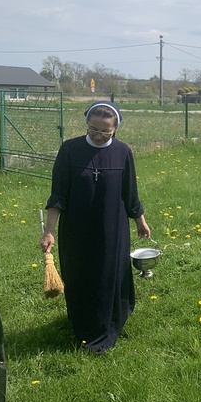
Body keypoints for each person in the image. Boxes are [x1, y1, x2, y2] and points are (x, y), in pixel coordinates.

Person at [39, 101, 151, 353]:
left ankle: (108, 323)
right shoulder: (70, 150)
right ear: (86, 124)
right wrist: (49, 230)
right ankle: (82, 323)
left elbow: (129, 192)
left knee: (108, 273)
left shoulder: (123, 152)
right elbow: (58, 195)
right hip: (77, 228)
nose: (99, 136)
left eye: (106, 132)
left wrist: (139, 220)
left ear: (115, 129)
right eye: (94, 130)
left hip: (112, 227)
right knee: (79, 274)